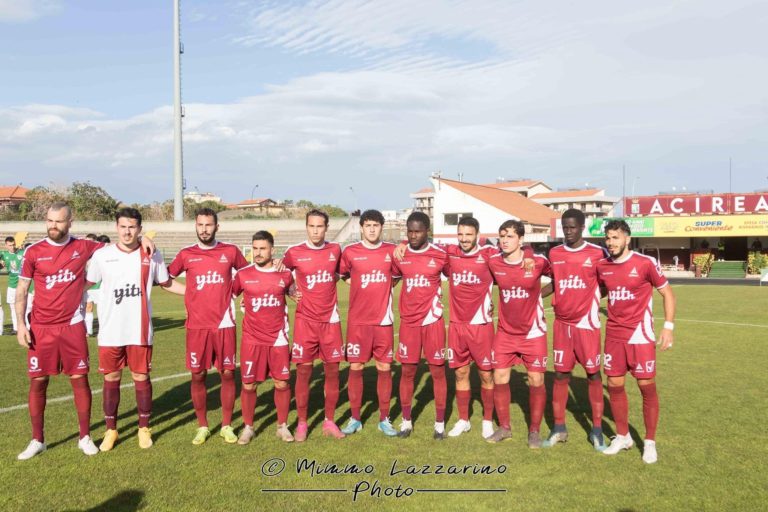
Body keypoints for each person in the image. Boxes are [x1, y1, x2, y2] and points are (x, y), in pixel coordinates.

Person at [15, 202, 154, 460]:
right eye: (50, 220)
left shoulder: (85, 247)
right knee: (38, 381)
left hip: (72, 325)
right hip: (41, 327)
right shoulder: (34, 252)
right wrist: (21, 324)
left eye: (58, 221)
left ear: (70, 222)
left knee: (79, 379)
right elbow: (22, 290)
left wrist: (143, 236)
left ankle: (85, 436)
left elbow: (123, 242)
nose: (53, 225)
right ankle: (37, 440)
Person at [86, 208, 184, 451]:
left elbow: (167, 283)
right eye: (123, 226)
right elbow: (86, 283)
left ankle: (143, 427)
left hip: (139, 330)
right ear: (116, 228)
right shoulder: (102, 256)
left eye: (132, 227)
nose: (127, 231)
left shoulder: (151, 253)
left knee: (141, 378)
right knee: (111, 379)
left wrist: (198, 294)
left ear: (140, 229)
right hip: (110, 331)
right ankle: (111, 430)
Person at [167, 208, 249, 445]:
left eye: (209, 225)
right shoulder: (186, 254)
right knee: (197, 374)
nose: (204, 229)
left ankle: (226, 425)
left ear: (216, 227)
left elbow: (247, 275)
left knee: (227, 373)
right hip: (197, 326)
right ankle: (202, 426)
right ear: (195, 226)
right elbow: (165, 280)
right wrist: (188, 292)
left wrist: (246, 294)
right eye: (200, 225)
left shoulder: (230, 251)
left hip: (224, 324)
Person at [596, 220, 676, 464]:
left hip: (640, 336)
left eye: (616, 237)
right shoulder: (603, 266)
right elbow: (600, 291)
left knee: (645, 386)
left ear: (627, 239)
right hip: (614, 335)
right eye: (608, 238)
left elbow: (667, 292)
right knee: (615, 384)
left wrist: (668, 327)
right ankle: (623, 436)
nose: (611, 242)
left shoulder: (645, 263)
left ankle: (649, 442)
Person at [540, 209, 610, 450]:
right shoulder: (555, 253)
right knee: (560, 375)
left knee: (593, 374)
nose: (568, 232)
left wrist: (591, 299)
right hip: (562, 324)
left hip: (586, 325)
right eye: (565, 227)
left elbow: (607, 283)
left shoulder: (597, 253)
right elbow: (555, 283)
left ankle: (597, 430)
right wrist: (534, 297)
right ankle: (559, 428)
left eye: (572, 227)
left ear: (582, 227)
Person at [281, 209, 346, 440]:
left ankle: (329, 421)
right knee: (304, 372)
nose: (315, 230)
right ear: (306, 227)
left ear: (326, 227)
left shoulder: (335, 250)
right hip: (305, 322)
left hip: (330, 321)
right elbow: (282, 274)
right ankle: (301, 423)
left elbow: (341, 273)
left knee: (332, 372)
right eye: (311, 226)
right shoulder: (294, 252)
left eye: (320, 226)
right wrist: (290, 290)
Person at [486, 220, 550, 448]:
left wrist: (540, 295)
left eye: (510, 236)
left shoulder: (538, 262)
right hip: (505, 332)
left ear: (521, 239)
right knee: (500, 377)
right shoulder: (494, 261)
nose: (504, 240)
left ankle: (534, 431)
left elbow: (559, 278)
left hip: (533, 333)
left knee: (536, 379)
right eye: (502, 235)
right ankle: (504, 428)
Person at [231, 231, 297, 444]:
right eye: (255, 248)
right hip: (252, 339)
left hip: (278, 338)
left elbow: (295, 292)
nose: (257, 253)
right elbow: (227, 296)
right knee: (249, 384)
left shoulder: (284, 274)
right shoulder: (243, 275)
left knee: (282, 383)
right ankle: (248, 427)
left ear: (272, 250)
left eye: (262, 248)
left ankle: (282, 426)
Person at [338, 210, 398, 437]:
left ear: (381, 227)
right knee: (356, 367)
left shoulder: (391, 251)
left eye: (376, 225)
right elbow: (342, 273)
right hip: (358, 323)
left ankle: (384, 418)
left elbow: (398, 276)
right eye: (368, 225)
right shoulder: (350, 252)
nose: (372, 229)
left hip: (383, 322)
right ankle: (355, 418)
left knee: (384, 367)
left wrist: (382, 290)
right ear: (361, 228)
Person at [390, 211, 450, 439]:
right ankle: (406, 422)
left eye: (418, 231)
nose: (413, 235)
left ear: (428, 231)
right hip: (409, 323)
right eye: (410, 231)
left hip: (433, 321)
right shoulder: (400, 255)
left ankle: (439, 424)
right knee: (407, 371)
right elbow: (392, 278)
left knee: (437, 371)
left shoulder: (440, 255)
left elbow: (458, 271)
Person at [1, 236, 24, 333]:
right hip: (11, 286)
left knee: (23, 307)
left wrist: (23, 248)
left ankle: (24, 326)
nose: (12, 247)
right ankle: (15, 328)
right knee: (12, 307)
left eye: (13, 244)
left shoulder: (21, 252)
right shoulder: (3, 254)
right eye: (10, 245)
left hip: (22, 285)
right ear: (6, 245)